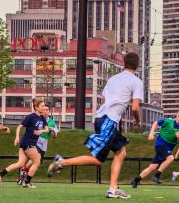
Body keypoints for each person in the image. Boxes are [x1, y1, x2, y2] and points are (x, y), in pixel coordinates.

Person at [47, 52, 143, 199]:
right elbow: (135, 107)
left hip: (101, 118)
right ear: (137, 65)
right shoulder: (136, 82)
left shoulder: (113, 79)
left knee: (121, 152)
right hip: (109, 121)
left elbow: (106, 97)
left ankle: (113, 188)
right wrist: (137, 121)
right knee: (98, 160)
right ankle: (61, 162)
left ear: (124, 63)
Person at [0, 98, 49, 188]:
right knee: (37, 162)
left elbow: (47, 129)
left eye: (44, 106)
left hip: (26, 143)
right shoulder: (31, 117)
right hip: (28, 143)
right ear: (36, 107)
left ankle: (0, 174)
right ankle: (27, 182)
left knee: (20, 163)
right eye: (42, 106)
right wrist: (17, 137)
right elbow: (19, 127)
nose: (44, 108)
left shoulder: (42, 118)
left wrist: (41, 131)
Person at [130, 110, 179, 188]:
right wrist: (151, 133)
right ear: (176, 116)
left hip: (168, 148)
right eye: (178, 116)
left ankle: (135, 180)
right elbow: (156, 123)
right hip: (160, 144)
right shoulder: (168, 121)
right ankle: (157, 176)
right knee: (170, 158)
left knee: (152, 167)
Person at [17, 103, 57, 185]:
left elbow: (54, 136)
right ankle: (26, 177)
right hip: (35, 142)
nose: (45, 111)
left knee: (38, 161)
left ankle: (24, 173)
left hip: (44, 144)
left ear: (49, 111)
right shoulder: (38, 118)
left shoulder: (52, 122)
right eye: (44, 109)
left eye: (47, 110)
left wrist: (52, 130)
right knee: (36, 159)